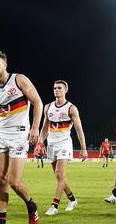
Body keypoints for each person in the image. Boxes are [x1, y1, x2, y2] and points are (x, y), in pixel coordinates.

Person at [0, 50, 43, 224]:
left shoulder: (19, 80)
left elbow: (38, 103)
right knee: (1, 181)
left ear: (5, 64)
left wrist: (35, 128)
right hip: (1, 136)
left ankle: (31, 206)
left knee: (14, 182)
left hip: (19, 135)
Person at [38, 80, 88, 216]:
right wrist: (39, 143)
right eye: (54, 88)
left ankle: (55, 205)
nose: (56, 90)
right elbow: (44, 128)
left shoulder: (71, 108)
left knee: (60, 174)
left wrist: (83, 149)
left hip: (64, 143)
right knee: (59, 176)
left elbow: (79, 130)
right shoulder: (48, 107)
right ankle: (72, 199)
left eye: (59, 88)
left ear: (65, 90)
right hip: (51, 144)